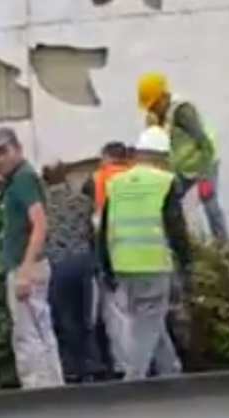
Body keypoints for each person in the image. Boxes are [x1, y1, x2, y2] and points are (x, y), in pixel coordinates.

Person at [0, 127, 64, 388]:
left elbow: (40, 224)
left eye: (3, 153)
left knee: (27, 335)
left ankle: (38, 391)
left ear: (18, 150)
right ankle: (54, 388)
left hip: (26, 266)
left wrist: (25, 270)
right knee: (40, 330)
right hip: (30, 265)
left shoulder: (23, 180)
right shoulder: (18, 178)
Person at [97, 126, 191, 381]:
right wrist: (187, 264)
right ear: (162, 157)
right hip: (152, 264)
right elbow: (176, 228)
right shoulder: (164, 182)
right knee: (145, 325)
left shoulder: (116, 184)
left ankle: (171, 374)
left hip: (123, 265)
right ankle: (133, 382)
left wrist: (105, 268)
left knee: (150, 322)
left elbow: (104, 229)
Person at [137, 72, 228, 241]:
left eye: (153, 105)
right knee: (170, 200)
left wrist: (202, 174)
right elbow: (158, 145)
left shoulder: (183, 112)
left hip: (204, 165)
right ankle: (179, 240)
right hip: (183, 167)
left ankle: (223, 243)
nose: (150, 110)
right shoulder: (158, 117)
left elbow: (204, 143)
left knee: (209, 202)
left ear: (162, 98)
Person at [42, 163, 106, 383]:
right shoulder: (83, 202)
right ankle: (91, 363)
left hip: (57, 265)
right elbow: (92, 231)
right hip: (83, 263)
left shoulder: (42, 205)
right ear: (66, 178)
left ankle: (71, 366)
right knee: (84, 316)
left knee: (63, 317)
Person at [82, 142, 133, 378]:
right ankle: (145, 361)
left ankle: (125, 366)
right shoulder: (138, 178)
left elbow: (89, 219)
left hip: (111, 252)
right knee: (142, 314)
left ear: (106, 157)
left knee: (116, 313)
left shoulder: (97, 180)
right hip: (144, 254)